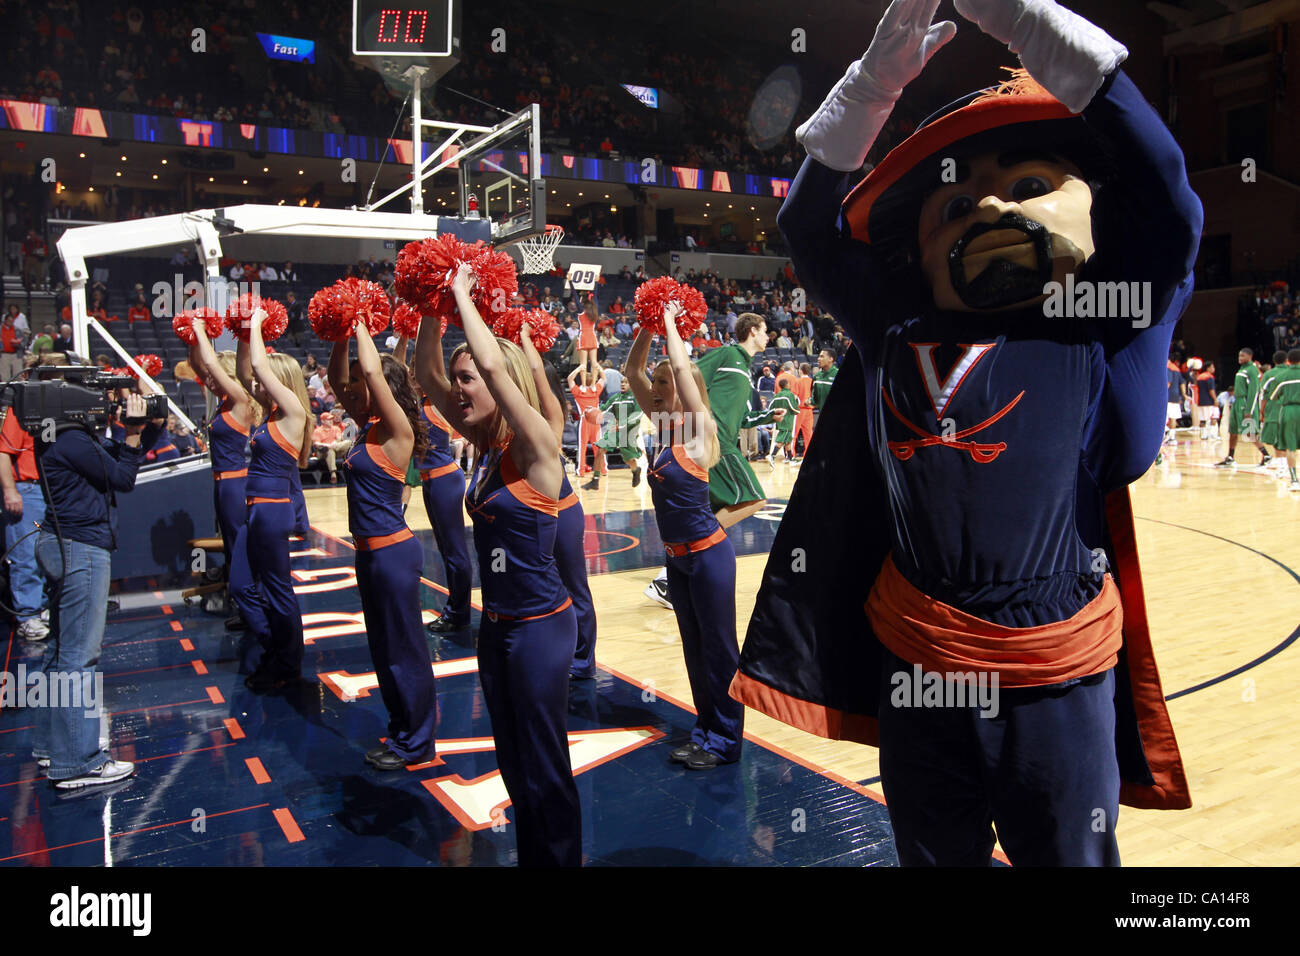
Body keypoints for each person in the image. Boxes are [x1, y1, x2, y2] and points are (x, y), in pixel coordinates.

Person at [734, 0, 1196, 866]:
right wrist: (871, 88)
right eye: (955, 207)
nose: (987, 211)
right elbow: (805, 226)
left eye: (1027, 189)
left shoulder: (1096, 323)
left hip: (1054, 673)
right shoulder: (895, 327)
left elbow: (1173, 205)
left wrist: (1037, 32)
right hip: (923, 665)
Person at [414, 262, 580, 867]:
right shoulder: (483, 446)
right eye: (459, 379)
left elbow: (490, 364)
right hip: (498, 625)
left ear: (500, 380)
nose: (460, 388)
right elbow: (423, 376)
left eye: (471, 379)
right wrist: (431, 305)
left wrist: (461, 295)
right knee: (513, 761)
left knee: (544, 767)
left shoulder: (536, 444)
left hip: (539, 629)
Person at [626, 301, 740, 770]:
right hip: (678, 560)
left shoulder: (699, 432)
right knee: (696, 652)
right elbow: (634, 367)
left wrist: (671, 321)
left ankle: (726, 741)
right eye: (655, 385)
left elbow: (679, 363)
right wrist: (648, 324)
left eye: (665, 384)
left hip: (709, 556)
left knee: (719, 651)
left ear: (688, 389)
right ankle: (705, 730)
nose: (654, 390)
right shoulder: (661, 429)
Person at [33, 390, 160, 788]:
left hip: (61, 543)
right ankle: (78, 761)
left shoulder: (59, 434)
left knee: (59, 653)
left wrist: (141, 429)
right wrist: (134, 435)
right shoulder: (71, 439)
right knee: (78, 658)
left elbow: (118, 453)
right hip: (81, 549)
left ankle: (54, 746)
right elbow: (123, 477)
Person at [329, 326, 437, 769]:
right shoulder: (366, 429)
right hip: (368, 553)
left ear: (381, 388)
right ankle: (402, 729)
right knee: (383, 647)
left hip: (392, 553)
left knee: (404, 648)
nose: (353, 388)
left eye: (362, 381)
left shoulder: (397, 432)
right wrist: (339, 335)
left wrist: (358, 321)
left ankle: (419, 741)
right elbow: (339, 380)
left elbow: (372, 368)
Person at [643, 312, 779, 609]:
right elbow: (687, 375)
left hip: (723, 438)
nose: (768, 335)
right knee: (753, 500)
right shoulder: (729, 353)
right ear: (753, 331)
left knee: (710, 509)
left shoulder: (747, 369)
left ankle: (672, 573)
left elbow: (742, 418)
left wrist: (769, 416)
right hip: (713, 438)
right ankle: (676, 569)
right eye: (765, 330)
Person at [232, 311, 313, 692]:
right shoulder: (270, 416)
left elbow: (259, 368)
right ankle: (275, 648)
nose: (259, 386)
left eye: (267, 382)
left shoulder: (295, 413)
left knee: (278, 590)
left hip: (270, 511)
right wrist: (243, 335)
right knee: (241, 585)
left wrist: (258, 323)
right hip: (257, 511)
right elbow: (247, 371)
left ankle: (287, 662)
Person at [188, 325, 257, 604]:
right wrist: (191, 337)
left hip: (236, 483)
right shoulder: (223, 402)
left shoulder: (240, 401)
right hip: (222, 483)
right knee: (230, 545)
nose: (208, 381)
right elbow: (199, 363)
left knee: (239, 546)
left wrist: (199, 328)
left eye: (215, 377)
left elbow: (210, 365)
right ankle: (239, 601)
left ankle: (249, 602)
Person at [0, 407, 48, 640]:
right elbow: (3, 452)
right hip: (27, 489)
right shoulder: (20, 410)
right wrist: (10, 490)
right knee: (26, 555)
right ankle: (28, 616)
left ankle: (41, 606)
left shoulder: (60, 406)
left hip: (50, 488)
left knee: (46, 554)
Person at [1216, 348, 1261, 467]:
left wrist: (1249, 410)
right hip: (1237, 402)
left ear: (1250, 356)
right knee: (1233, 432)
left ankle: (1266, 455)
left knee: (1248, 433)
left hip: (1245, 403)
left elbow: (1254, 391)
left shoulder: (1252, 370)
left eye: (1243, 356)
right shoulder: (1242, 369)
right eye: (1239, 356)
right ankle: (1230, 457)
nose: (1240, 358)